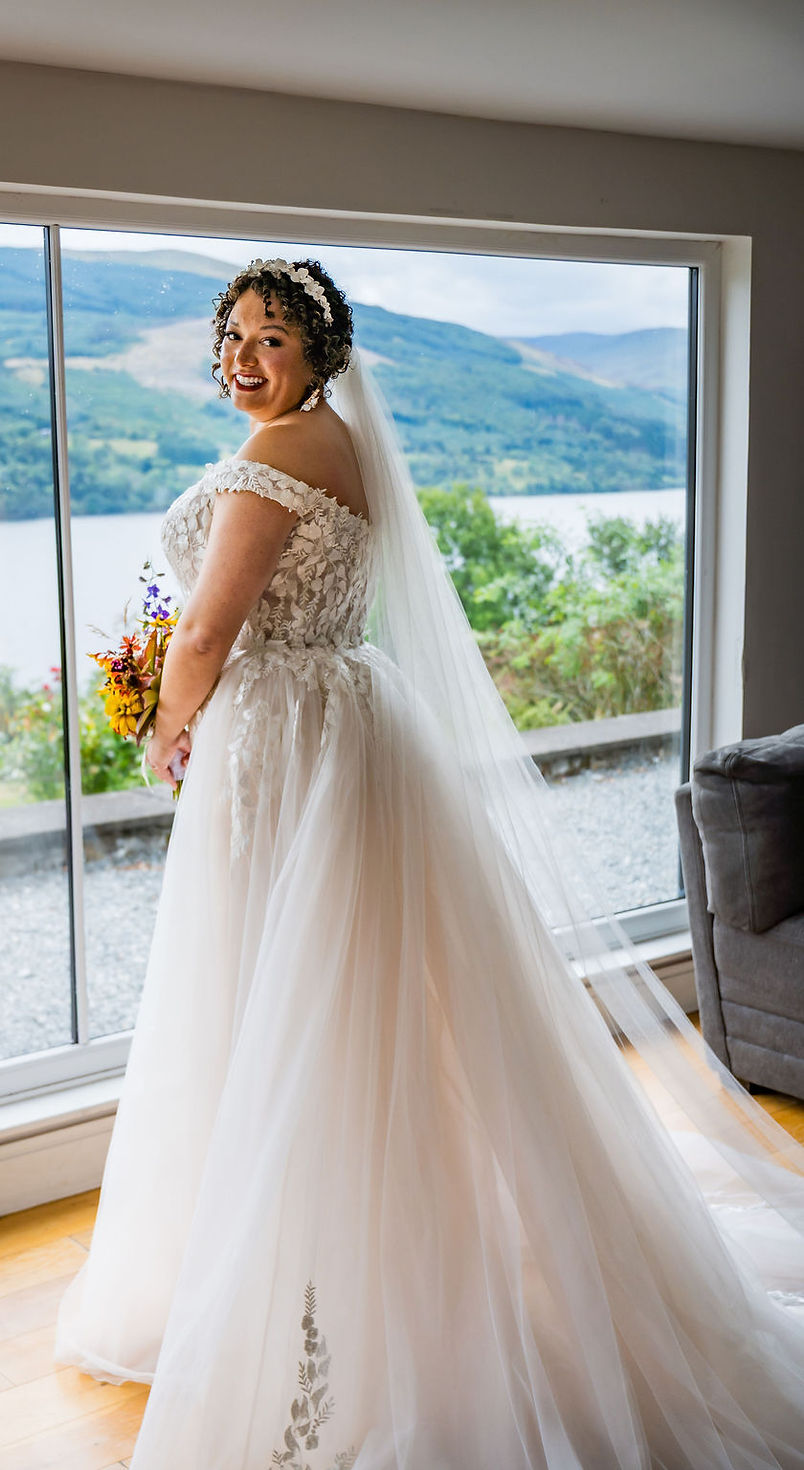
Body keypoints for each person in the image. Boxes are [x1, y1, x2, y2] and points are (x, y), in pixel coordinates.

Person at [55, 259, 804, 1468]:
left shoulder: (280, 456)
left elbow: (205, 627)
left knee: (275, 1003)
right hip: (346, 727)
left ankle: (312, 1300)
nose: (244, 358)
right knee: (363, 1004)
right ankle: (373, 1248)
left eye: (272, 339)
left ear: (320, 353)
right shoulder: (342, 443)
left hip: (281, 746)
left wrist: (156, 725)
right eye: (232, 336)